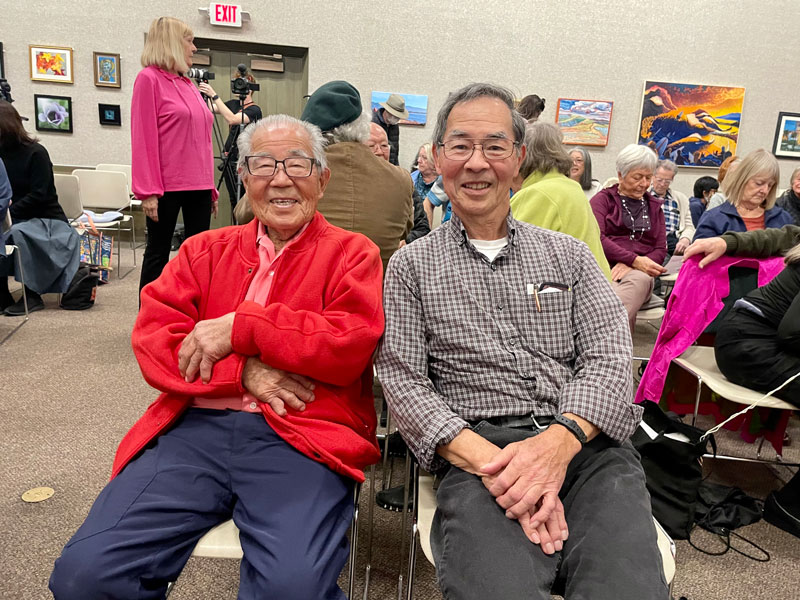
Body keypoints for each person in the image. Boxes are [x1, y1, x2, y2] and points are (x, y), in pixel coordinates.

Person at [49, 115, 384, 600]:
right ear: (245, 179)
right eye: (264, 165)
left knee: (292, 590)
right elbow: (155, 343)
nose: (282, 178)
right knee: (85, 577)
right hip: (193, 432)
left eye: (297, 164)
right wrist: (243, 371)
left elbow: (347, 346)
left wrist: (242, 327)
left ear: (322, 178)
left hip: (301, 434)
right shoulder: (203, 250)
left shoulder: (353, 254)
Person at [376, 83, 666, 600]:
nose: (476, 163)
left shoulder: (568, 256)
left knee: (625, 588)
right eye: (460, 145)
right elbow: (403, 380)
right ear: (439, 156)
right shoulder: (411, 268)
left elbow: (610, 357)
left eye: (494, 146)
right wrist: (507, 467)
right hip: (478, 454)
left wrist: (556, 446)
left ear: (519, 157)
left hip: (587, 446)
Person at [685, 226, 800, 540]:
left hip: (760, 341)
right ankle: (791, 507)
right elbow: (792, 333)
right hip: (749, 345)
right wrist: (726, 241)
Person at [132, 17, 218, 294]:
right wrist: (147, 191)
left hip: (200, 186)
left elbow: (203, 141)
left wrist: (212, 188)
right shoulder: (148, 79)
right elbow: (143, 138)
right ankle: (149, 319)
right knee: (158, 254)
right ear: (171, 42)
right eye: (189, 40)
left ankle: (191, 314)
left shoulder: (189, 84)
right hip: (166, 187)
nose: (194, 48)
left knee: (198, 257)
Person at [301, 80, 413, 271]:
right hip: (378, 292)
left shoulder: (296, 172)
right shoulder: (402, 179)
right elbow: (404, 229)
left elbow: (245, 213)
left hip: (307, 292)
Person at [0, 101, 79, 315]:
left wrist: (8, 213)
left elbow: (40, 195)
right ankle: (2, 293)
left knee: (16, 233)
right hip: (13, 216)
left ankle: (31, 294)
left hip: (46, 219)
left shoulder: (36, 153)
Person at [510, 122, 610, 279]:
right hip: (596, 290)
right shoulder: (571, 187)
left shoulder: (537, 194)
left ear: (521, 158)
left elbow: (512, 261)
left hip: (567, 296)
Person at [590, 144, 666, 334]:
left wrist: (634, 265)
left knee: (632, 286)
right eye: (637, 177)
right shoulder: (602, 200)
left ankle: (605, 344)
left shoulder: (654, 206)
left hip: (640, 274)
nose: (644, 184)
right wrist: (632, 259)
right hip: (603, 267)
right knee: (608, 293)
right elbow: (597, 238)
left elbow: (660, 249)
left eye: (648, 177)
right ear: (621, 175)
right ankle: (618, 355)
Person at [199, 71, 263, 215]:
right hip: (229, 159)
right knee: (233, 200)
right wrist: (204, 90)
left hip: (246, 162)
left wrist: (215, 95)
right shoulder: (233, 104)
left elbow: (233, 119)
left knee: (244, 200)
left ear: (250, 88)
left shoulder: (255, 110)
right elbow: (209, 108)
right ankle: (236, 230)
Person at [694, 149, 793, 240]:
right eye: (759, 183)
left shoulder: (782, 218)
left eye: (770, 185)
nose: (765, 190)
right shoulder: (713, 218)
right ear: (742, 180)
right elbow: (698, 257)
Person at [650, 159, 694, 256]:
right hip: (650, 243)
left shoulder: (680, 199)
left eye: (667, 181)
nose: (662, 184)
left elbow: (689, 227)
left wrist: (685, 239)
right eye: (659, 180)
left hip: (673, 242)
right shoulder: (643, 196)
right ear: (652, 177)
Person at [371, 93, 408, 165]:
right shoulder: (372, 122)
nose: (397, 119)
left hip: (389, 167)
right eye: (395, 116)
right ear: (387, 111)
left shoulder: (395, 126)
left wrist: (396, 169)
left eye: (398, 117)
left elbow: (395, 151)